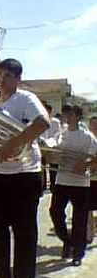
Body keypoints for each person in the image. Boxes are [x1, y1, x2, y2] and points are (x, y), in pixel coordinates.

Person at [0, 58, 50, 278]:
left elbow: (42, 123)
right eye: (0, 74)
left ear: (18, 78)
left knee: (24, 236)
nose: (2, 79)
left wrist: (13, 143)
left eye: (8, 75)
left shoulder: (26, 99)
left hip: (23, 175)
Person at [48, 105, 97, 267]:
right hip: (62, 180)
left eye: (69, 114)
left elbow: (95, 156)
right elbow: (51, 151)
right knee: (55, 212)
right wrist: (51, 156)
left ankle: (78, 253)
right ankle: (67, 240)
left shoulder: (87, 136)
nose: (66, 117)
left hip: (80, 183)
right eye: (65, 115)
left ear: (76, 116)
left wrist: (85, 164)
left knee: (79, 219)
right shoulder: (60, 134)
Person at [41, 103, 62, 191]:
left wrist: (50, 144)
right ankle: (43, 186)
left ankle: (54, 187)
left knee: (53, 169)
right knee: (42, 167)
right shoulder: (39, 120)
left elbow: (57, 135)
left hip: (52, 147)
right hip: (42, 147)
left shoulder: (55, 122)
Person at [89, 116, 97, 242]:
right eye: (93, 125)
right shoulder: (88, 139)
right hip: (89, 179)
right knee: (88, 207)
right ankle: (89, 232)